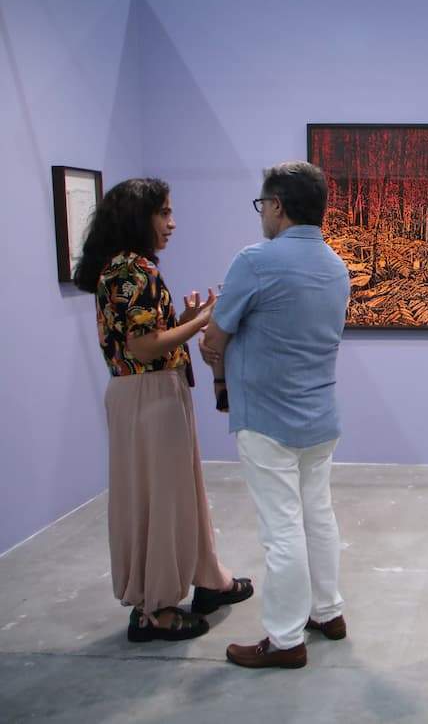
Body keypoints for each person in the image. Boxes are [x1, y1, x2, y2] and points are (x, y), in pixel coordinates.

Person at [73, 178, 252, 642]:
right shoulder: (133, 271)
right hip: (148, 395)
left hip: (148, 393)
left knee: (177, 491)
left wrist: (183, 319)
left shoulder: (124, 268)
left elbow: (141, 336)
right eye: (164, 213)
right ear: (140, 217)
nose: (172, 224)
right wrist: (200, 322)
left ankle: (207, 578)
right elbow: (144, 346)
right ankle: (155, 608)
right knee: (160, 499)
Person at [200, 161, 350, 669]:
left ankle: (286, 640)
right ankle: (328, 612)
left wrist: (216, 364)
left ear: (278, 206)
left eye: (263, 204)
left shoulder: (255, 261)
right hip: (320, 415)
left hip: (267, 418)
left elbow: (215, 337)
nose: (262, 213)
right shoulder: (336, 265)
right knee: (318, 516)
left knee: (282, 529)